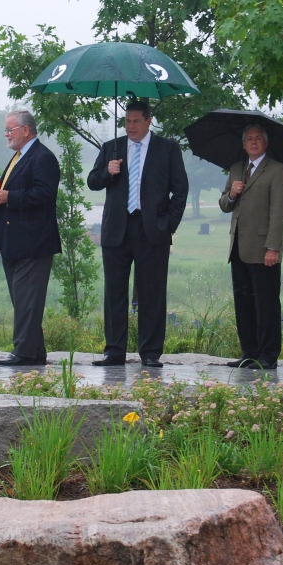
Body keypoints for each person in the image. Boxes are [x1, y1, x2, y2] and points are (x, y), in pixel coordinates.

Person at [87, 100, 188, 368]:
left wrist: (168, 225)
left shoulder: (167, 149)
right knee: (114, 293)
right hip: (117, 230)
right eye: (127, 121)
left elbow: (180, 190)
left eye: (135, 121)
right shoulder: (112, 148)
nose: (130, 126)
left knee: (152, 292)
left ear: (148, 121)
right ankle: (114, 351)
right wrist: (108, 172)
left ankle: (151, 352)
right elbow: (92, 181)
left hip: (152, 229)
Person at [0, 109, 61, 366]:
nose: (7, 135)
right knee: (23, 301)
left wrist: (10, 197)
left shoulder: (43, 157)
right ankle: (35, 351)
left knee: (27, 301)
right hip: (14, 242)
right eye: (6, 130)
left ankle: (23, 353)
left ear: (26, 130)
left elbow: (45, 194)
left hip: (34, 242)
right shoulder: (19, 157)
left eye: (10, 130)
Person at [218, 124, 283, 370]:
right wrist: (232, 194)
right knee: (244, 302)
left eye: (258, 139)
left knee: (266, 303)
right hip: (238, 246)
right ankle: (249, 352)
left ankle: (268, 354)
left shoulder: (278, 171)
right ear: (243, 144)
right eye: (249, 139)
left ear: (265, 143)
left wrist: (273, 247)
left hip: (263, 250)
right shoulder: (237, 169)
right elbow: (224, 205)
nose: (253, 142)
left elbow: (279, 212)